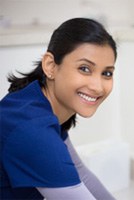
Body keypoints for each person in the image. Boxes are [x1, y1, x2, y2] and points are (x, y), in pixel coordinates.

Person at [0, 18, 117, 199]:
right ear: (50, 66)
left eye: (107, 73)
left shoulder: (36, 101)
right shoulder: (33, 130)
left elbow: (81, 175)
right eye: (84, 68)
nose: (98, 87)